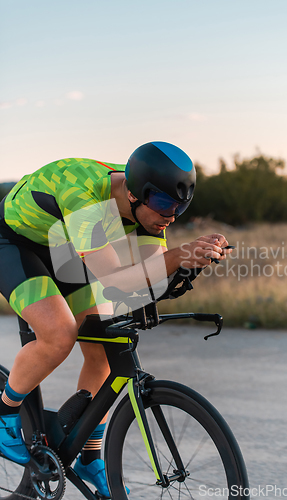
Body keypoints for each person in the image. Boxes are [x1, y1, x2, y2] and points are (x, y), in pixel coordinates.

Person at [0, 141, 231, 496]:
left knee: (107, 342)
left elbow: (148, 279)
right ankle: (4, 412)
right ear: (138, 195)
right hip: (14, 241)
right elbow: (118, 279)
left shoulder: (154, 207)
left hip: (63, 245)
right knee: (59, 334)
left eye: (180, 208)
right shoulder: (85, 196)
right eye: (165, 205)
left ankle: (90, 456)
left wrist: (189, 265)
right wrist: (177, 256)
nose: (170, 216)